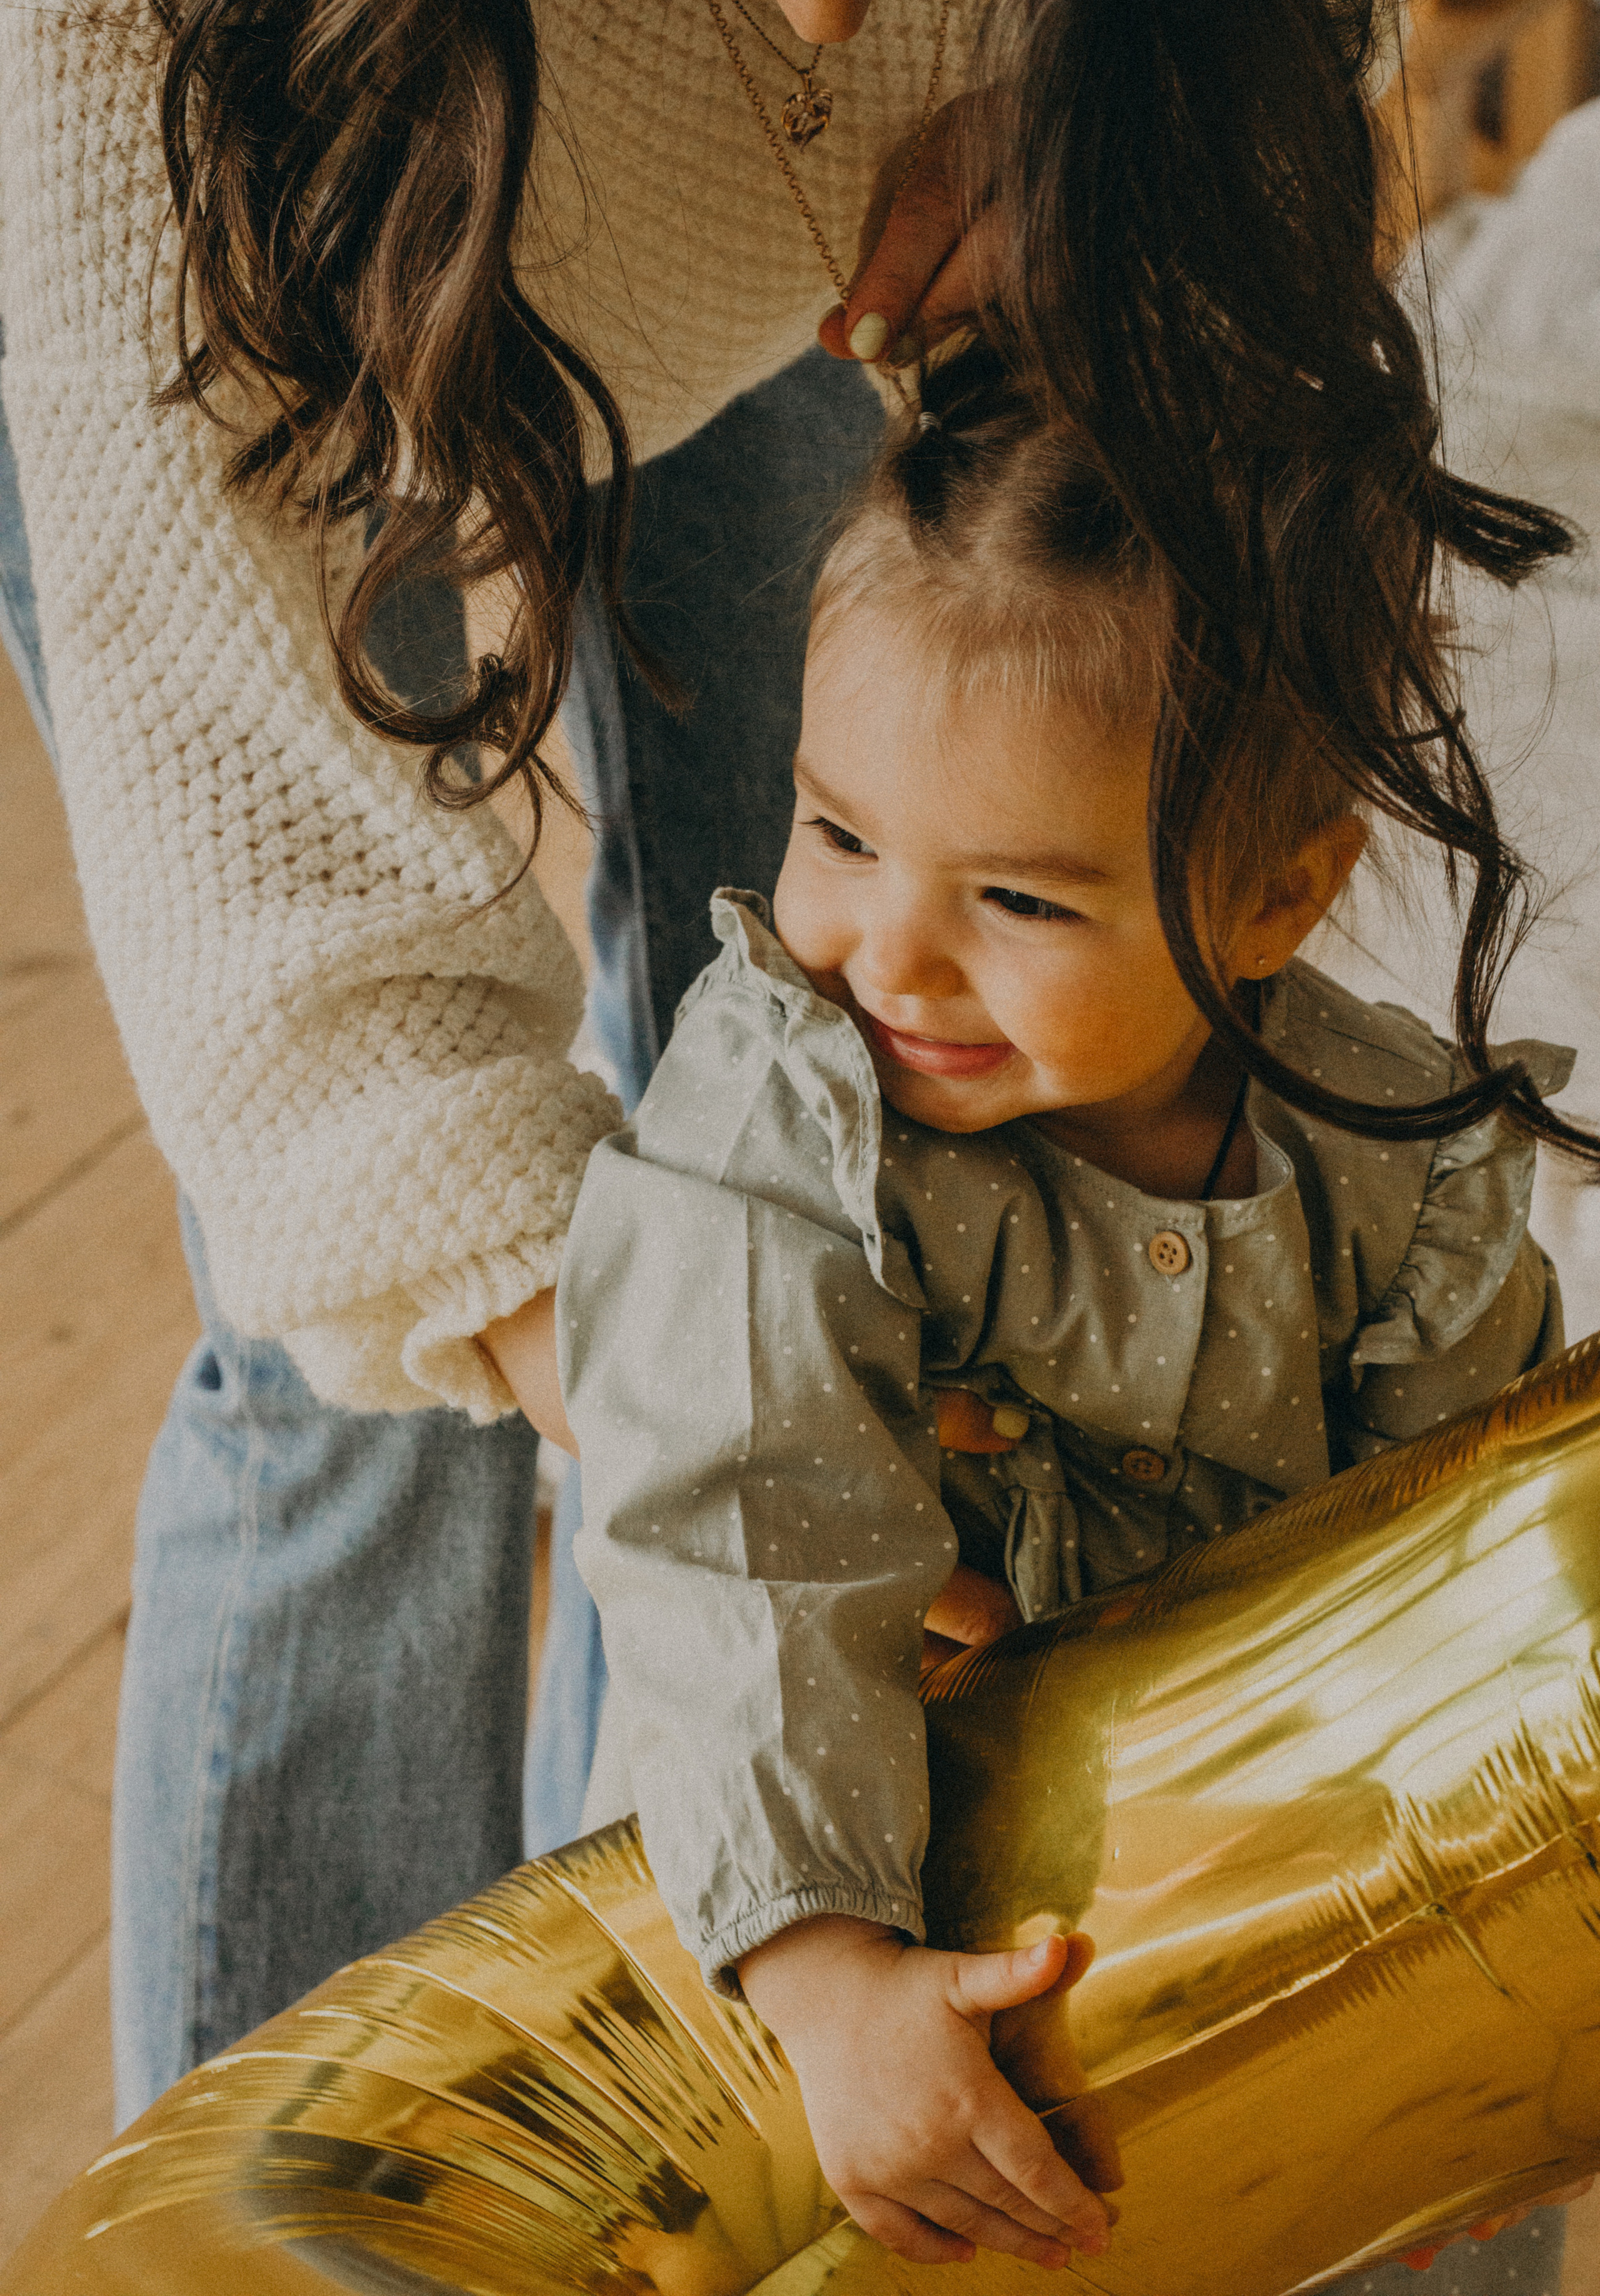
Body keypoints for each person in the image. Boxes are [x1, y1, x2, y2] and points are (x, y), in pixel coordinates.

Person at [0, 0, 1563, 2261]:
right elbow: (350, 1053)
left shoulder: (1391, 1143)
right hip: (300, 229)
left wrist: (1122, 139)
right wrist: (660, 1354)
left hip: (814, 300)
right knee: (399, 1372)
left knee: (937, 762)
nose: (822, 22)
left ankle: (656, 1957)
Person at [558, 343, 1596, 2273]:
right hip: (894, 1919)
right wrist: (827, 1972)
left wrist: (1531, 2021)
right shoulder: (789, 1140)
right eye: (840, 834)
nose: (894, 954)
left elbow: (1474, 1608)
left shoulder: (1403, 1164)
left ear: (1275, 903)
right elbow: (735, 1540)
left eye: (1022, 905)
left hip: (1299, 1903)